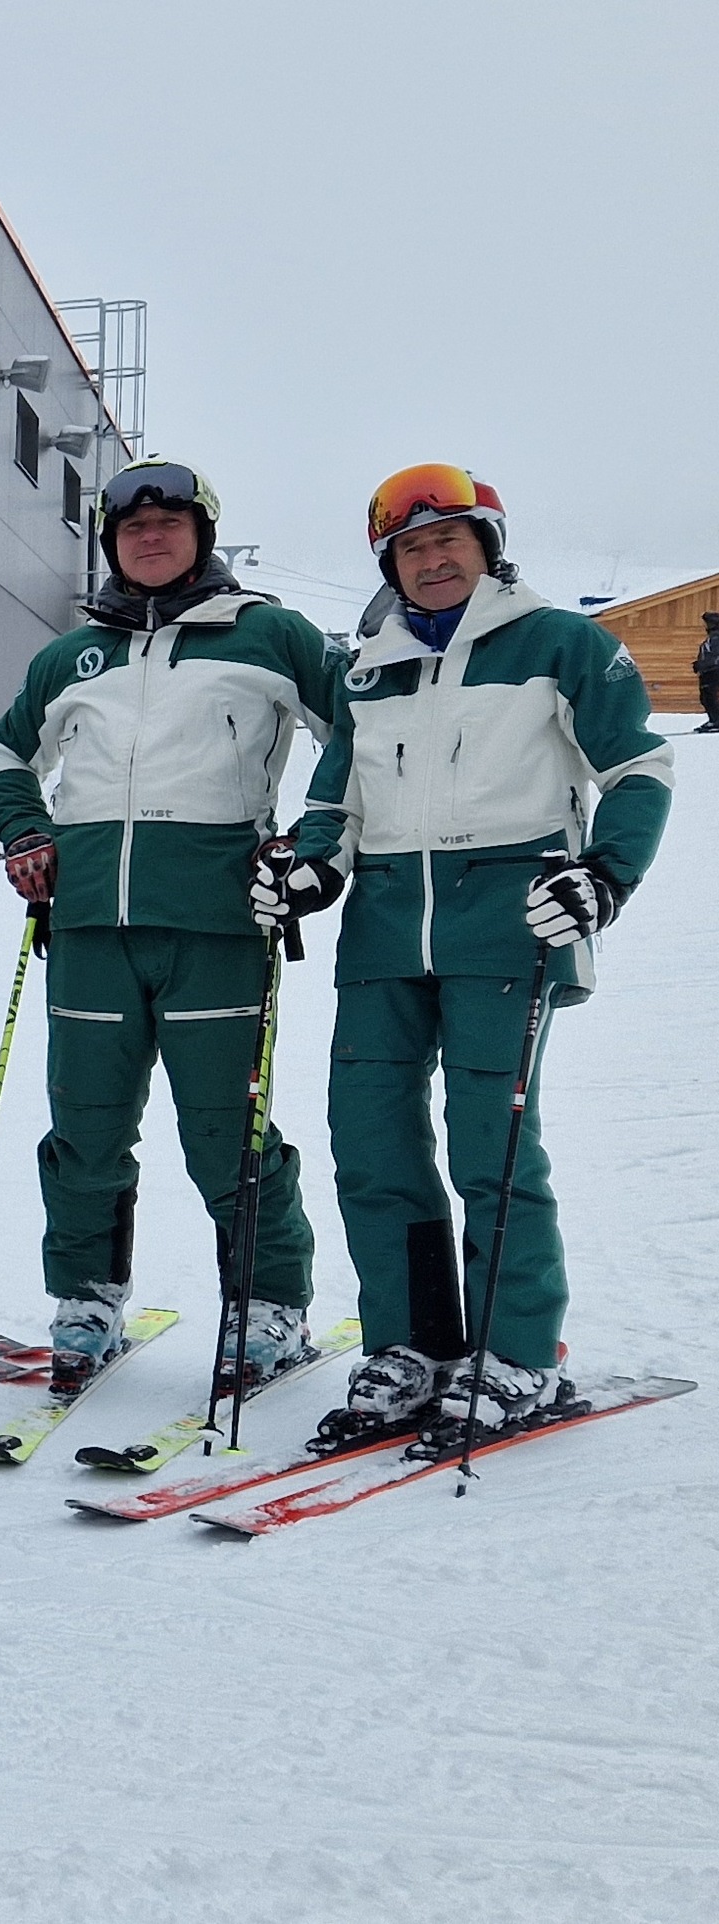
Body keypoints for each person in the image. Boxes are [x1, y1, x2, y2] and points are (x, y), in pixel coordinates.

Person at [258, 466, 671, 1446]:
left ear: (487, 548)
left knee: (490, 1146)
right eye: (409, 547)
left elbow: (636, 770)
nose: (431, 559)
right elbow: (332, 800)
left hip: (508, 926)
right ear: (388, 565)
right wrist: (311, 871)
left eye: (449, 540)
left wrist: (602, 878)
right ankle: (412, 1345)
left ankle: (516, 1353)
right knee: (369, 1144)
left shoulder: (561, 645)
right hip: (385, 934)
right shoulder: (367, 667)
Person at [0, 458, 336, 1393]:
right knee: (85, 1127)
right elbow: (7, 751)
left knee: (224, 1127)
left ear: (201, 535)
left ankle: (268, 1304)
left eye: (171, 523)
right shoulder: (69, 657)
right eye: (132, 527)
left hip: (216, 922)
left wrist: (315, 839)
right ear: (109, 543)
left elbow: (366, 739)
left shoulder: (270, 635)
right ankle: (86, 1299)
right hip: (89, 922)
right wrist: (24, 827)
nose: (150, 537)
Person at [693, 613, 719, 734]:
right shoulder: (711, 639)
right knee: (706, 697)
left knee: (710, 697)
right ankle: (713, 719)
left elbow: (714, 657)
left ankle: (716, 720)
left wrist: (702, 664)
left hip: (713, 672)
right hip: (707, 672)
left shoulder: (716, 639)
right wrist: (698, 664)